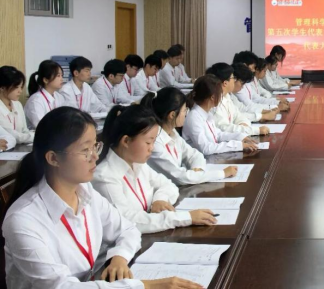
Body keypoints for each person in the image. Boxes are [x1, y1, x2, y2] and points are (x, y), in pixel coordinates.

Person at [2, 107, 202, 289]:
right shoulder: (23, 219)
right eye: (85, 150)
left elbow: (128, 229)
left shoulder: (85, 192)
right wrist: (145, 286)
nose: (95, 157)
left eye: (94, 147)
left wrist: (120, 256)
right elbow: (61, 286)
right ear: (54, 158)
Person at [93, 105, 217, 234]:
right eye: (148, 142)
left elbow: (168, 185)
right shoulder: (104, 177)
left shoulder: (138, 164)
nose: (152, 148)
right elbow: (128, 220)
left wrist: (160, 200)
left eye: (154, 142)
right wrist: (185, 218)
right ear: (126, 141)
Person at [142, 88, 239, 185]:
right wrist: (222, 173)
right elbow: (180, 177)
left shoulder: (172, 132)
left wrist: (198, 169)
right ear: (172, 115)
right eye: (184, 110)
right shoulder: (155, 142)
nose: (186, 113)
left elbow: (194, 154)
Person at [183, 75, 257, 155]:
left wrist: (240, 137)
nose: (221, 97)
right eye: (220, 93)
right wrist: (237, 145)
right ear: (212, 97)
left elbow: (218, 135)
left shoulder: (207, 113)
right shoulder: (194, 118)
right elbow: (206, 148)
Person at [207, 63, 271, 137]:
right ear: (225, 83)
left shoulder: (226, 96)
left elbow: (238, 115)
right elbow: (224, 128)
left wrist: (244, 125)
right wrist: (255, 130)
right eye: (233, 78)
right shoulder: (215, 103)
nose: (234, 80)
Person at [24, 60, 66, 130]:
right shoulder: (35, 101)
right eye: (58, 76)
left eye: (62, 75)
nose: (61, 79)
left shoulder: (59, 97)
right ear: (46, 80)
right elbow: (41, 126)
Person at [0, 66, 34, 147]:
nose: (20, 91)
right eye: (16, 87)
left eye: (21, 87)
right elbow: (11, 135)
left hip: (20, 149)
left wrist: (30, 136)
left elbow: (24, 131)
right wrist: (34, 136)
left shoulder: (17, 104)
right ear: (2, 87)